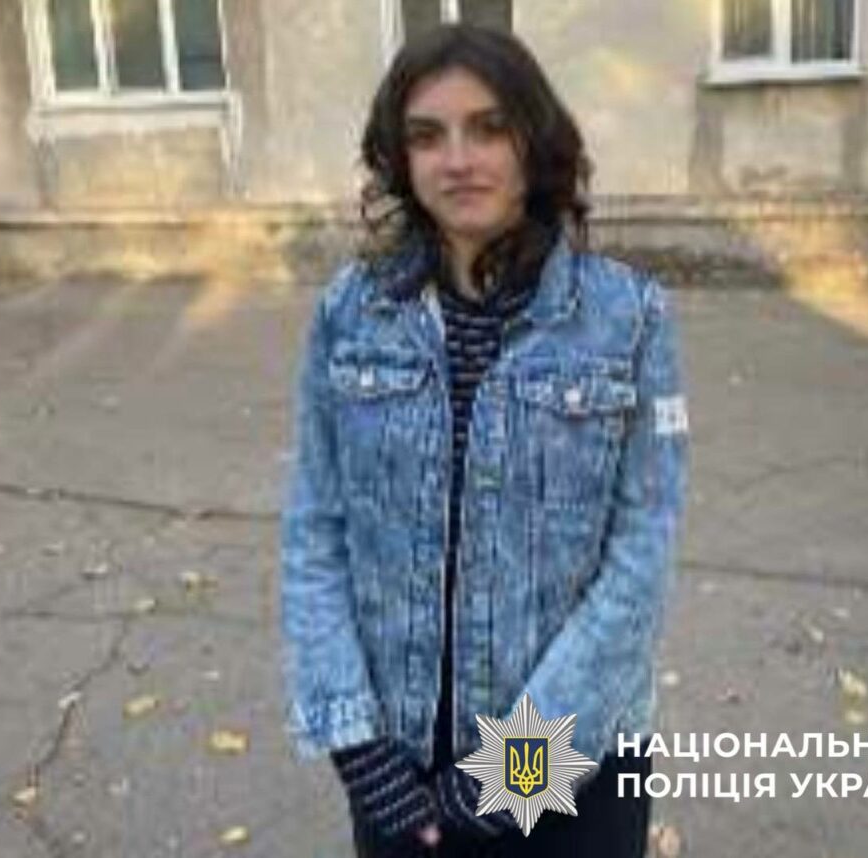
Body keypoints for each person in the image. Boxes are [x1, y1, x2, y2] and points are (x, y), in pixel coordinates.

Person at [280, 23, 689, 858]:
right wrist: (356, 746)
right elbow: (315, 531)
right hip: (400, 770)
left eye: (488, 128)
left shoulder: (629, 318)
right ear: (400, 158)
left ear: (535, 141)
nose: (457, 160)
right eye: (427, 136)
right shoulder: (350, 314)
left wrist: (516, 770)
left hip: (575, 763)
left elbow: (641, 556)